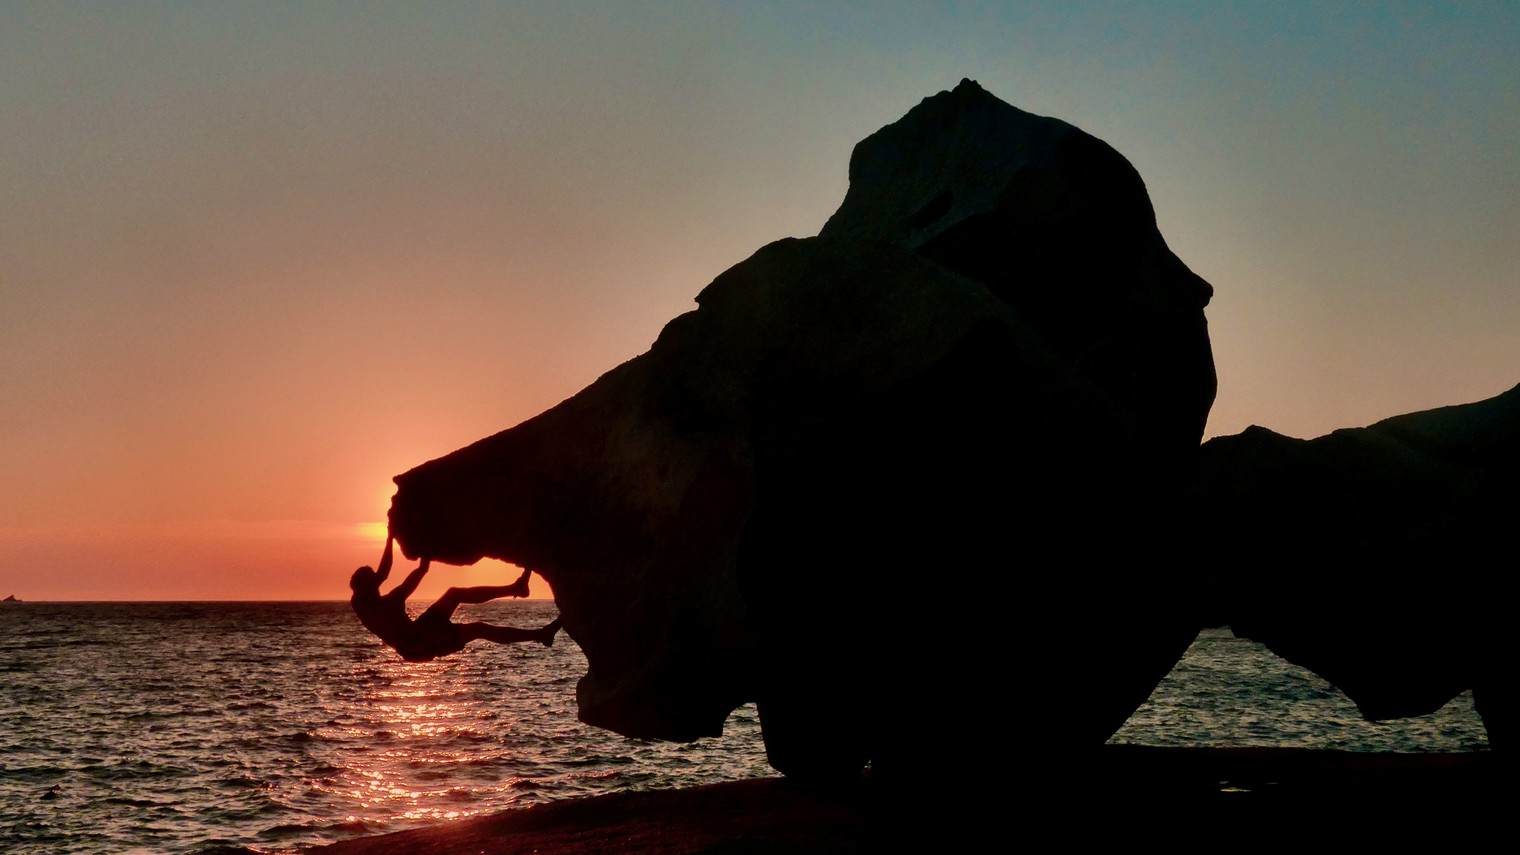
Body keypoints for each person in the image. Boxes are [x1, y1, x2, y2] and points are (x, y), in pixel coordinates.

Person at [350, 535, 561, 662]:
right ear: (367, 586)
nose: (378, 580)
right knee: (479, 629)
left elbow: (386, 573)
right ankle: (540, 634)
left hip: (420, 630)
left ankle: (516, 588)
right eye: (373, 580)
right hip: (420, 645)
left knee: (454, 594)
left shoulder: (364, 601)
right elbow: (391, 572)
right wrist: (397, 541)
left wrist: (393, 540)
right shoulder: (383, 603)